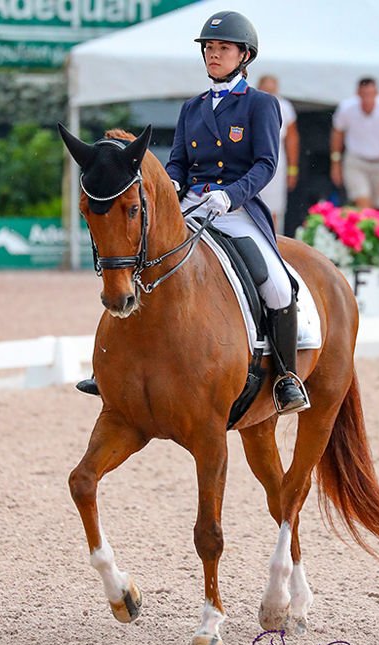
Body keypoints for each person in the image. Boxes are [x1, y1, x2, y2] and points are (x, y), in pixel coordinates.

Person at [164, 10, 309, 415]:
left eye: (222, 48)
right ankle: (114, 364)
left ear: (244, 55)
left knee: (279, 287)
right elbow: (177, 161)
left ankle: (285, 377)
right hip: (191, 205)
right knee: (137, 262)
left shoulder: (261, 104)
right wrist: (173, 183)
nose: (213, 54)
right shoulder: (191, 108)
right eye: (209, 48)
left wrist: (230, 196)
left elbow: (266, 163)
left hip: (235, 207)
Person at [330, 77, 379, 209]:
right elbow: (337, 134)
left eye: (370, 95)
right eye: (364, 95)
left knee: (378, 206)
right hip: (356, 161)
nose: (367, 100)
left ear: (377, 93)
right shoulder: (346, 108)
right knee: (362, 203)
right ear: (357, 94)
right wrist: (335, 162)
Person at [257, 75, 299, 235]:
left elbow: (292, 139)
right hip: (252, 163)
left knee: (274, 209)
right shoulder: (250, 103)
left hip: (277, 163)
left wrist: (292, 169)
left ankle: (273, 244)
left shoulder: (284, 107)